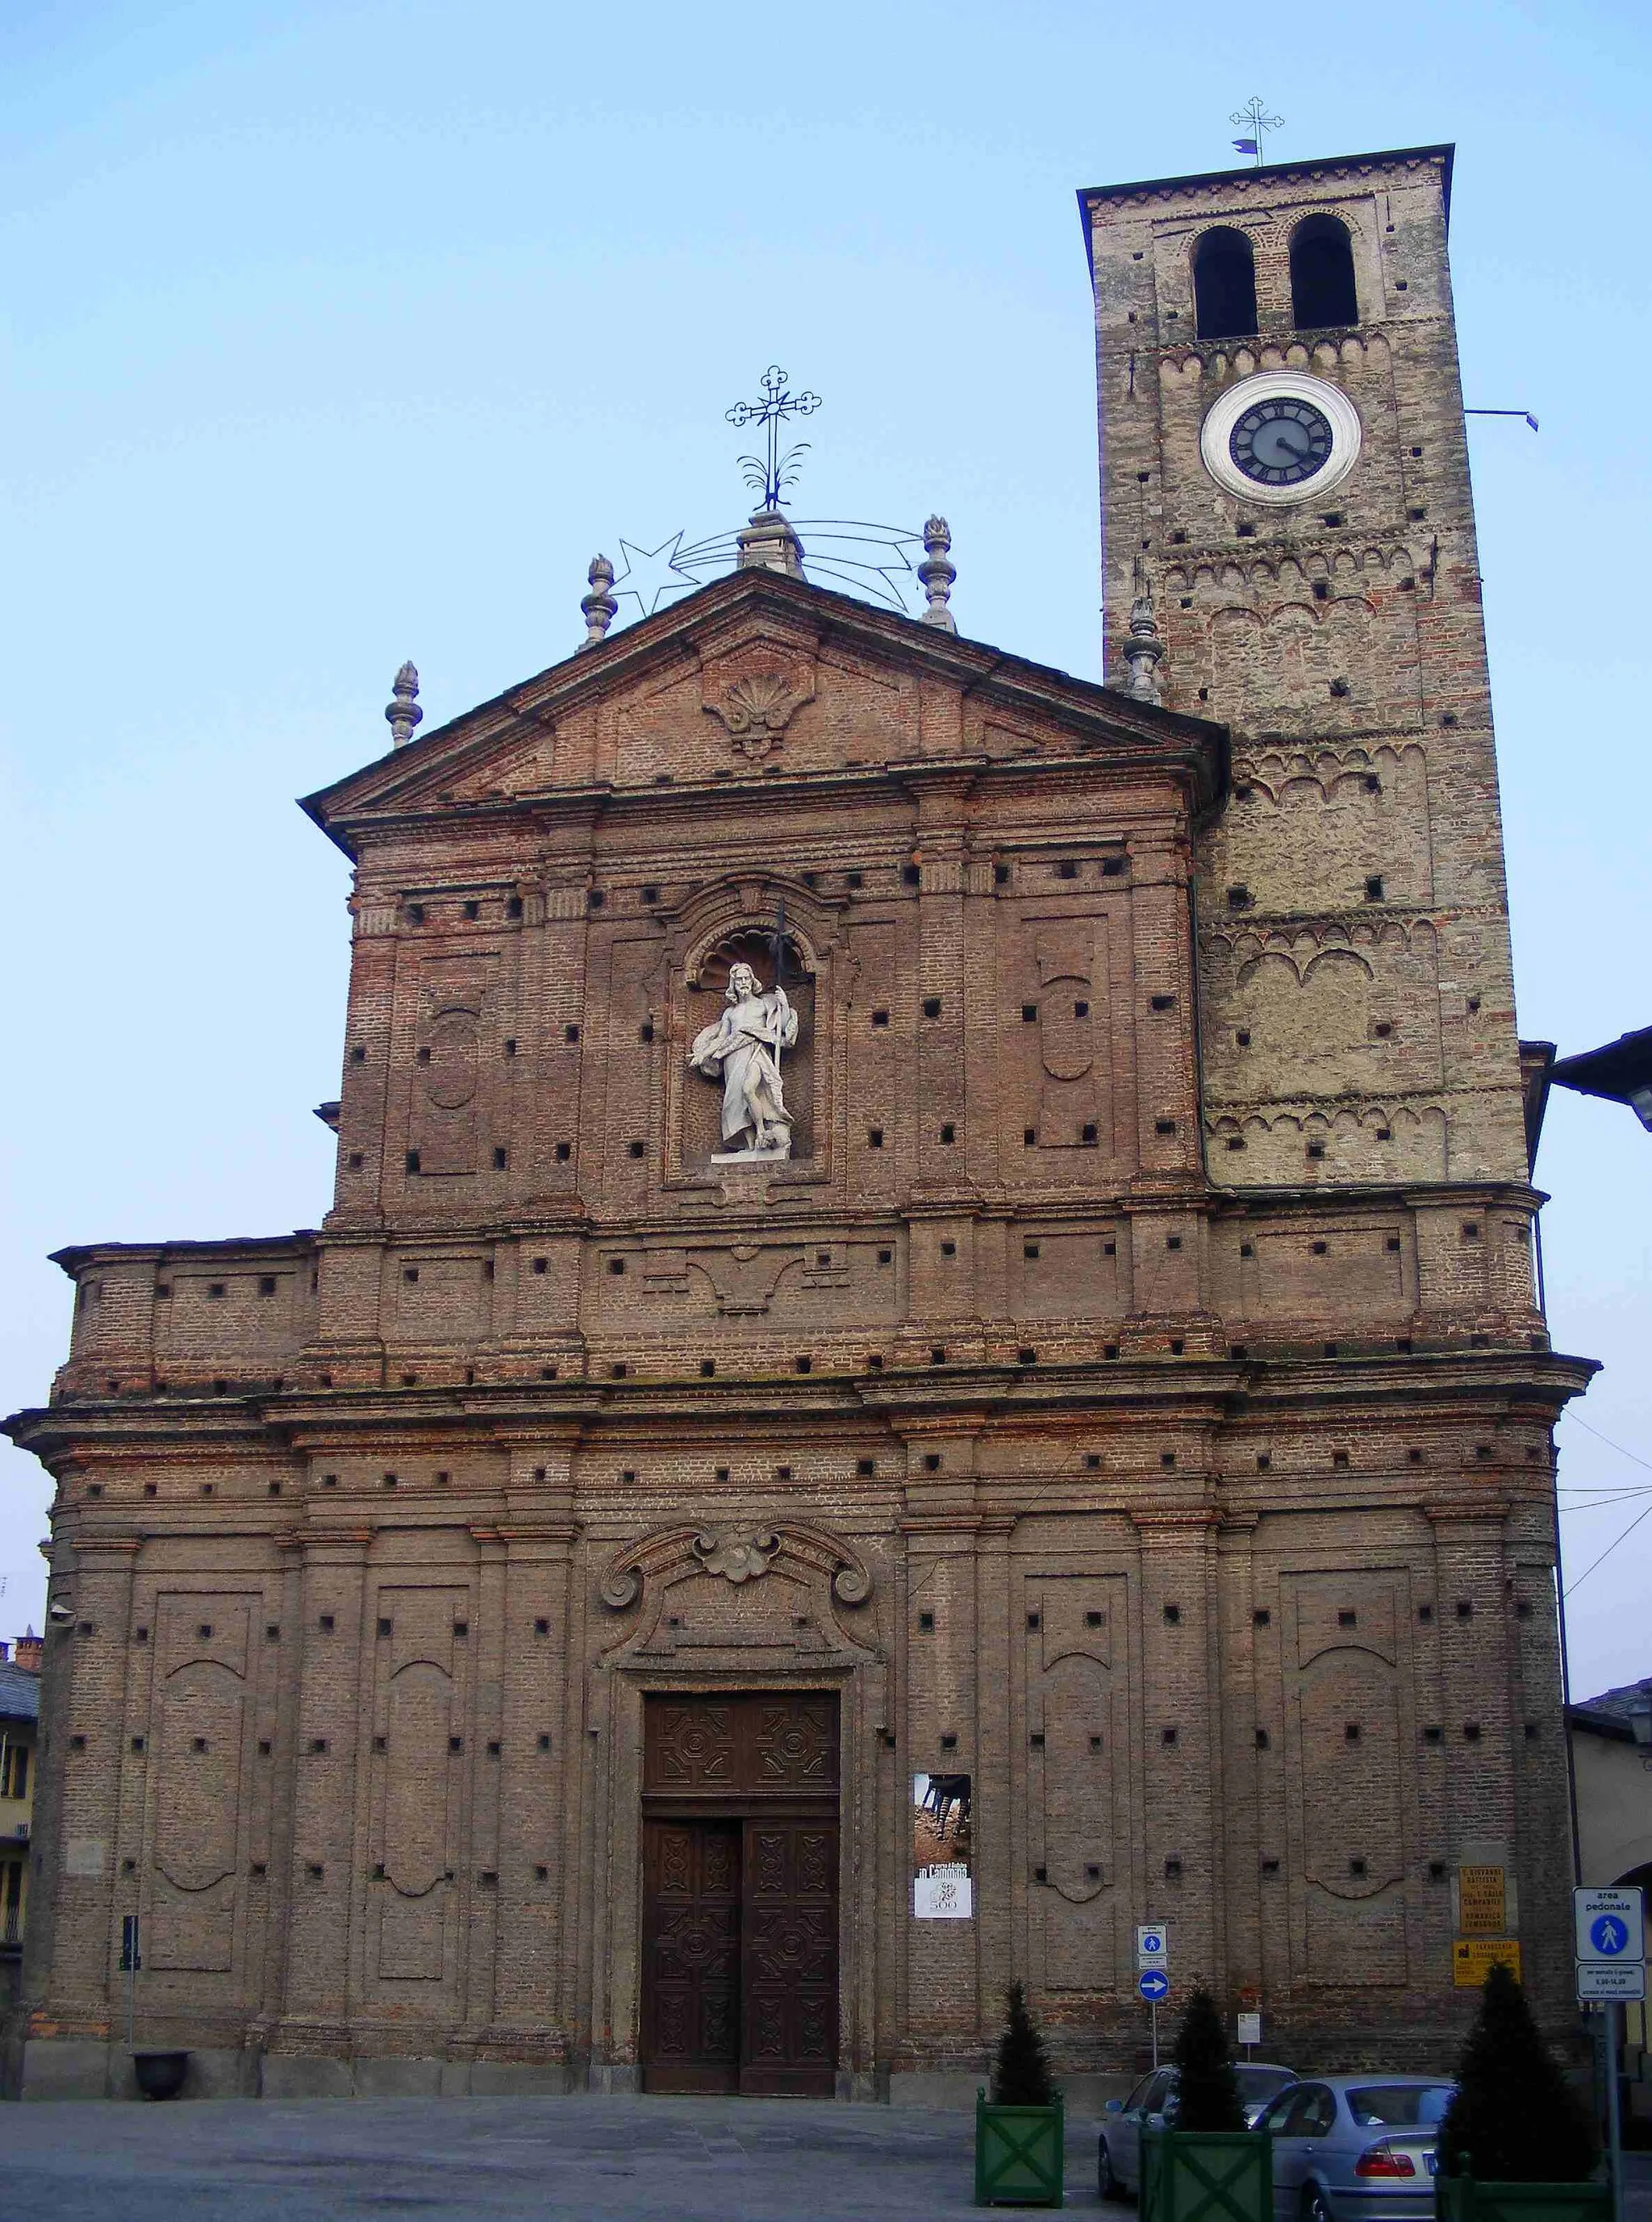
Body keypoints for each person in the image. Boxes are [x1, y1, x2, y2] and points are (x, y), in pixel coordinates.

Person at [689, 961, 799, 1158]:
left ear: (752, 979)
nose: (743, 982)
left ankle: (762, 1131)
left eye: (746, 978)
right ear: (733, 984)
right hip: (733, 1057)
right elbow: (722, 1039)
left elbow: (781, 1027)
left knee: (749, 1089)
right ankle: (751, 1146)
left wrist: (783, 1003)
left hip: (755, 1052)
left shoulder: (764, 1003)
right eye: (739, 979)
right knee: (736, 1101)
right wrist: (703, 1054)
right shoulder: (730, 1013)